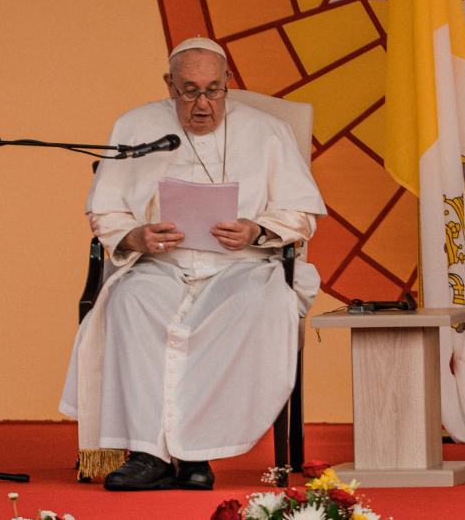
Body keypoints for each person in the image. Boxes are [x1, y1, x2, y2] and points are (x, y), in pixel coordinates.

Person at [60, 37, 325, 491]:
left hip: (242, 265)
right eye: (189, 92)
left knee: (257, 306)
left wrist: (256, 230)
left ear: (228, 85)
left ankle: (197, 453)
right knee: (128, 300)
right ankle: (148, 454)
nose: (202, 105)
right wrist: (137, 235)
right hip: (161, 265)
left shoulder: (268, 132)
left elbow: (300, 214)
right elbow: (104, 210)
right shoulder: (135, 126)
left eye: (213, 90)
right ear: (169, 86)